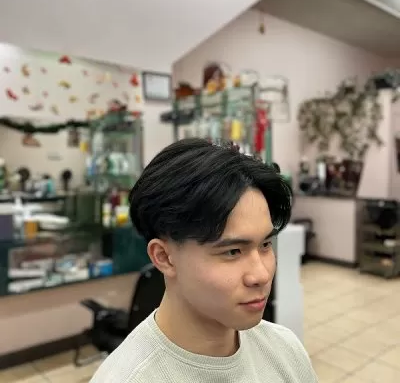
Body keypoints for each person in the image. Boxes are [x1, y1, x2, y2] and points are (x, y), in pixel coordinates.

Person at [90, 138, 317, 383]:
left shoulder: (285, 350)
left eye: (265, 245)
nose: (262, 275)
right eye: (233, 252)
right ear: (164, 257)